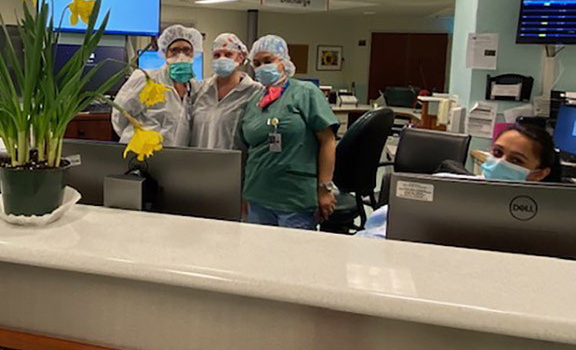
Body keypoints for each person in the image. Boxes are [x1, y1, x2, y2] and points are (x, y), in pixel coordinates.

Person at [358, 123, 562, 239]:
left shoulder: (552, 219)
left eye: (516, 160)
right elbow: (375, 232)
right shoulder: (443, 187)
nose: (500, 163)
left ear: (539, 173)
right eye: (497, 152)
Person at [240, 35, 339, 230]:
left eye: (268, 61)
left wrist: (325, 188)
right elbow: (251, 148)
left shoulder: (305, 92)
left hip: (294, 198)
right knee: (258, 257)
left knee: (293, 258)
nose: (262, 67)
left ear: (283, 61)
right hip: (257, 194)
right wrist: (246, 193)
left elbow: (328, 141)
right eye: (257, 63)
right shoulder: (255, 100)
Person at [112, 24, 202, 147]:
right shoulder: (146, 79)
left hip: (174, 157)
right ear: (165, 53)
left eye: (187, 50)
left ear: (193, 54)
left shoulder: (194, 89)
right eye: (174, 50)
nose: (181, 56)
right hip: (142, 153)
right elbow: (120, 116)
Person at [190, 33, 261, 150]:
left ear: (241, 57)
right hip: (199, 163)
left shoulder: (254, 92)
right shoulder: (201, 90)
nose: (222, 58)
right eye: (217, 55)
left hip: (233, 165)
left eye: (228, 54)